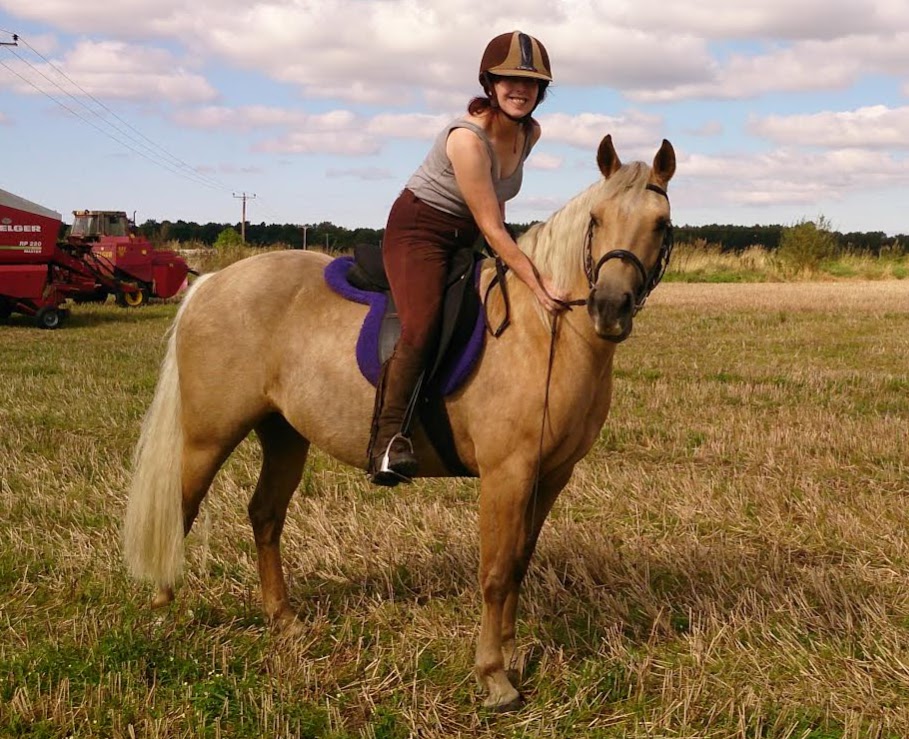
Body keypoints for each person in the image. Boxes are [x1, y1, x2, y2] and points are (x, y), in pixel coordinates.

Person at [368, 30, 566, 486]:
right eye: (509, 80)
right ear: (489, 83)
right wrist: (537, 282)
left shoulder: (529, 132)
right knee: (421, 324)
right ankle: (387, 441)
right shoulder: (466, 139)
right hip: (420, 230)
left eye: (532, 84)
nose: (520, 90)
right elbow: (493, 227)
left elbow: (497, 205)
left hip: (470, 232)